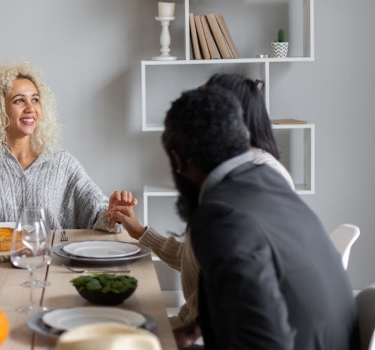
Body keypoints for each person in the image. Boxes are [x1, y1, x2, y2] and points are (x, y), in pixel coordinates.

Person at [153, 87, 357, 349]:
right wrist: (192, 331)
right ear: (242, 136)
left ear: (178, 161)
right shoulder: (269, 180)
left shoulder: (220, 216)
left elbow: (265, 343)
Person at [107, 73, 294, 349]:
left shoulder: (245, 184)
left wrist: (182, 332)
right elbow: (199, 260)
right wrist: (140, 232)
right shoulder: (248, 172)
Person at [0, 61, 119, 231]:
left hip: (48, 267)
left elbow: (99, 212)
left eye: (35, 99)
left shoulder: (62, 163)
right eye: (19, 101)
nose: (31, 108)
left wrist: (114, 212)